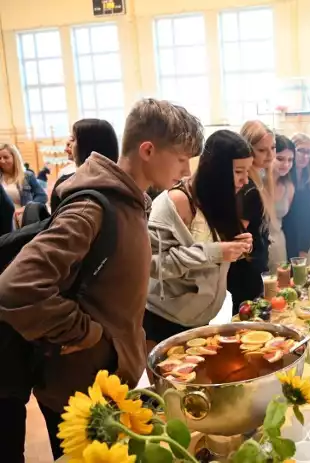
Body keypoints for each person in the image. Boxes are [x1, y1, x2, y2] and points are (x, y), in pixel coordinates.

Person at [0, 98, 203, 461]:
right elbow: (16, 287)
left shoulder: (131, 202)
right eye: (181, 158)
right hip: (79, 397)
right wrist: (88, 334)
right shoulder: (93, 208)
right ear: (147, 150)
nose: (186, 171)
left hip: (105, 385)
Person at [145, 130, 253, 345]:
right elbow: (154, 264)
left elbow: (213, 254)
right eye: (238, 171)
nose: (245, 179)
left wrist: (238, 248)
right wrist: (216, 252)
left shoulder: (219, 198)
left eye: (247, 171)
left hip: (201, 320)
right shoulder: (176, 200)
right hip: (164, 320)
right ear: (216, 170)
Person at [227, 121, 275, 312]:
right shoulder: (249, 190)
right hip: (246, 271)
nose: (270, 155)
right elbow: (236, 233)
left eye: (272, 148)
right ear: (248, 150)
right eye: (262, 150)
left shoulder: (258, 183)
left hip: (253, 267)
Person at [50, 118, 119, 212]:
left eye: (73, 140)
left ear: (87, 146)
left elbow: (55, 222)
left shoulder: (65, 185)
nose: (69, 146)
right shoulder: (123, 184)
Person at [283, 133, 310, 260]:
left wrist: (304, 247)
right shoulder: (283, 178)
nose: (306, 156)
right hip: (283, 241)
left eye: (309, 152)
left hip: (304, 245)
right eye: (301, 151)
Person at [0, 144, 47, 226]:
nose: (2, 161)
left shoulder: (27, 176)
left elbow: (42, 196)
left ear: (15, 157)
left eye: (6, 157)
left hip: (22, 220)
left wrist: (26, 208)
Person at [269, 134, 296, 271]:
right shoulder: (256, 184)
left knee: (278, 287)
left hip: (278, 243)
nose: (286, 165)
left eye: (290, 160)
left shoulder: (289, 187)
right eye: (280, 159)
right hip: (256, 245)